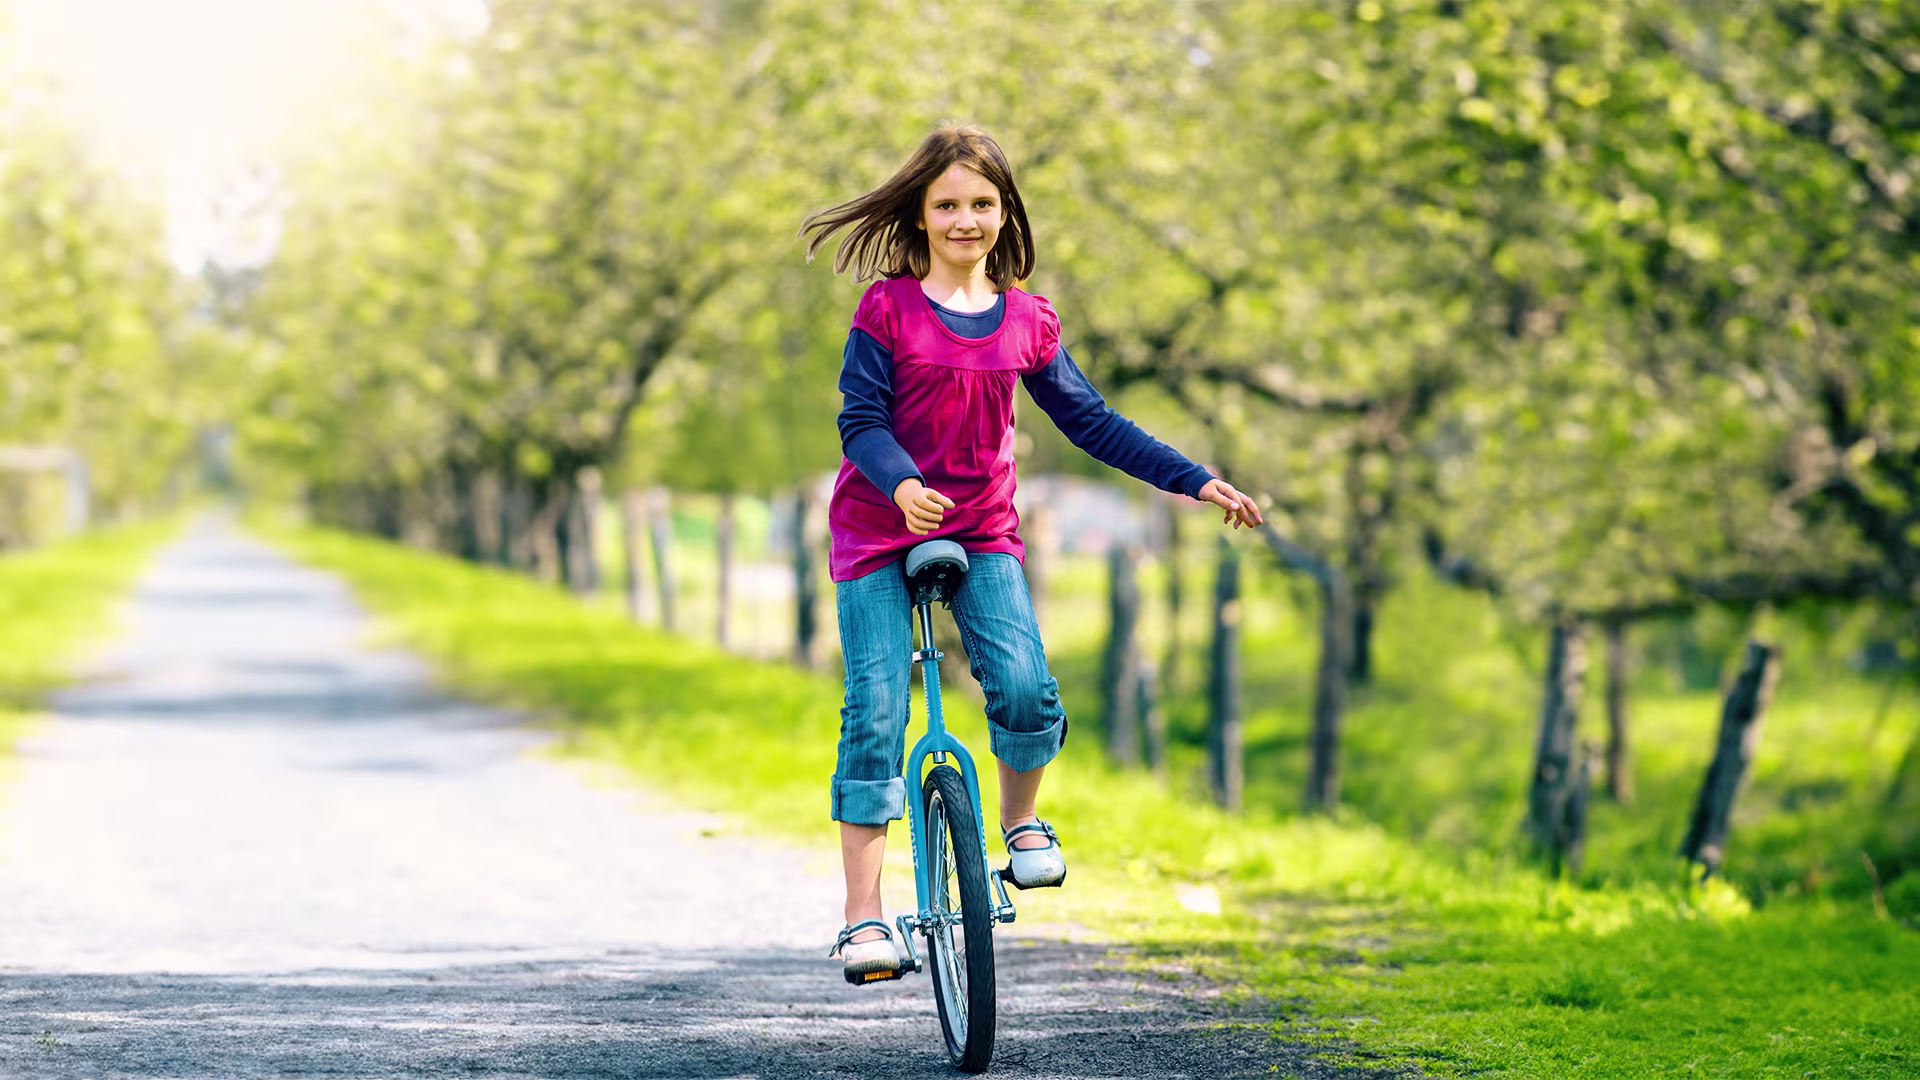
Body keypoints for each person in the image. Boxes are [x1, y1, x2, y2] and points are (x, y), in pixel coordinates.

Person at [799, 124, 1263, 979]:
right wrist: (902, 485)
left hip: (980, 531)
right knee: (873, 709)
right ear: (923, 215)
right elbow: (859, 421)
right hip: (876, 529)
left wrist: (1195, 480)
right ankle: (864, 917)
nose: (965, 220)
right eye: (947, 205)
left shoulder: (1028, 321)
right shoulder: (888, 309)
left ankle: (1020, 824)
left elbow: (1093, 422)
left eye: (982, 203)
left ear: (1006, 213)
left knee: (1020, 683)